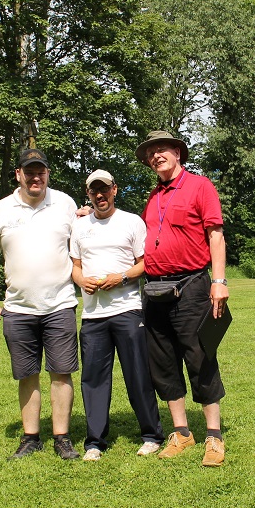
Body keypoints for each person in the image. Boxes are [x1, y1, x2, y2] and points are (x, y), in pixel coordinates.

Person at [135, 129, 230, 467]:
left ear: (178, 153)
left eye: (162, 149)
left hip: (191, 286)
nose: (155, 156)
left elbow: (215, 234)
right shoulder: (153, 196)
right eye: (151, 152)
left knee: (200, 358)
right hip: (155, 289)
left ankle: (214, 436)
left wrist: (218, 281)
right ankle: (181, 432)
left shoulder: (200, 186)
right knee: (162, 362)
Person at [0, 147, 80, 460]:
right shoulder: (1, 210)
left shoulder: (64, 204)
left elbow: (84, 243)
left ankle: (62, 438)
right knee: (27, 374)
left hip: (60, 305)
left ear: (47, 174)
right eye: (30, 172)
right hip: (18, 309)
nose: (36, 177)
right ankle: (31, 437)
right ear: (18, 175)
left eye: (41, 172)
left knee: (61, 373)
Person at [70, 170, 165, 461]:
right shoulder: (79, 227)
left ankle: (151, 436)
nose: (100, 195)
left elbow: (144, 263)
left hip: (128, 310)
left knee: (138, 374)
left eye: (105, 189)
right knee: (93, 380)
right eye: (94, 191)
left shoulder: (131, 221)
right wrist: (81, 280)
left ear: (115, 189)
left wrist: (121, 277)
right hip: (92, 315)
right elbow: (75, 266)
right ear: (88, 194)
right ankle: (95, 442)